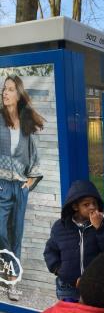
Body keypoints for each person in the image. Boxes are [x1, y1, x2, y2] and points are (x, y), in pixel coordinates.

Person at [0, 75, 44, 301]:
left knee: (16, 235)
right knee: (1, 232)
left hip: (20, 188)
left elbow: (34, 160)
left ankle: (11, 281)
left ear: (18, 94)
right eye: (3, 89)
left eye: (9, 89)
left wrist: (28, 184)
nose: (5, 93)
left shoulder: (26, 125)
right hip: (1, 187)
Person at [44, 180, 104, 301]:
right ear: (75, 207)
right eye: (86, 204)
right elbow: (50, 250)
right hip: (67, 287)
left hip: (94, 285)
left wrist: (99, 228)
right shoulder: (60, 227)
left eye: (94, 203)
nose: (92, 207)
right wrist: (59, 269)